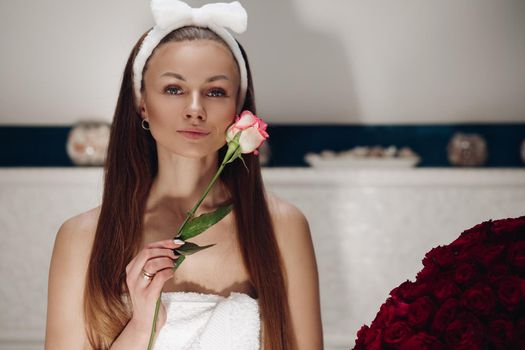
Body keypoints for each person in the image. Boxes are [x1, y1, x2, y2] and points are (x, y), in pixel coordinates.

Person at [45, 0, 323, 349]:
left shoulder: (282, 225)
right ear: (141, 103)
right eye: (174, 89)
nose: (195, 109)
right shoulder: (81, 237)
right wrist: (142, 325)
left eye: (215, 91)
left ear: (238, 108)